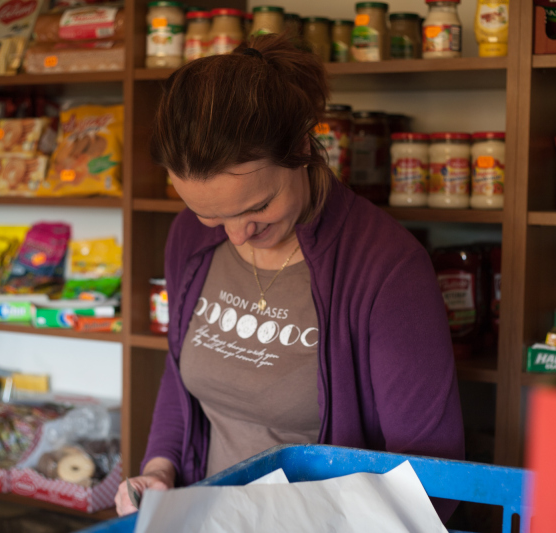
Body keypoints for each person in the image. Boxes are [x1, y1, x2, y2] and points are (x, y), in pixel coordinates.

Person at [115, 33, 464, 521]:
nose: (237, 235)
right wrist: (159, 470)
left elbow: (433, 479)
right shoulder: (188, 241)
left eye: (258, 206)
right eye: (211, 216)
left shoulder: (387, 267)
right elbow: (181, 381)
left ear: (301, 146)